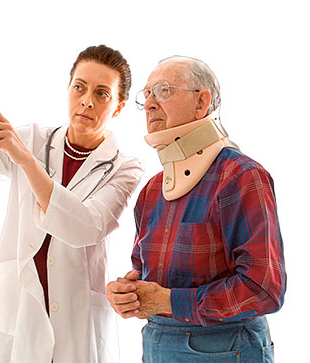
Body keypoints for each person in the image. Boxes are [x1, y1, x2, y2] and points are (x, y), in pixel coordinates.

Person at [0, 18, 144, 363]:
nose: (87, 101)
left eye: (101, 93)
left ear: (118, 106)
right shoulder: (32, 140)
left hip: (75, 318)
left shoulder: (124, 167)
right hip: (18, 310)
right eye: (79, 87)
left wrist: (26, 161)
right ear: (68, 89)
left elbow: (86, 226)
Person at [107, 56, 286, 363]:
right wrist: (129, 294)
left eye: (162, 90)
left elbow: (263, 289)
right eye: (146, 95)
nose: (149, 104)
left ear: (202, 102)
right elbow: (146, 275)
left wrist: (168, 301)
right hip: (156, 343)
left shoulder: (242, 177)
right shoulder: (152, 190)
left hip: (224, 347)